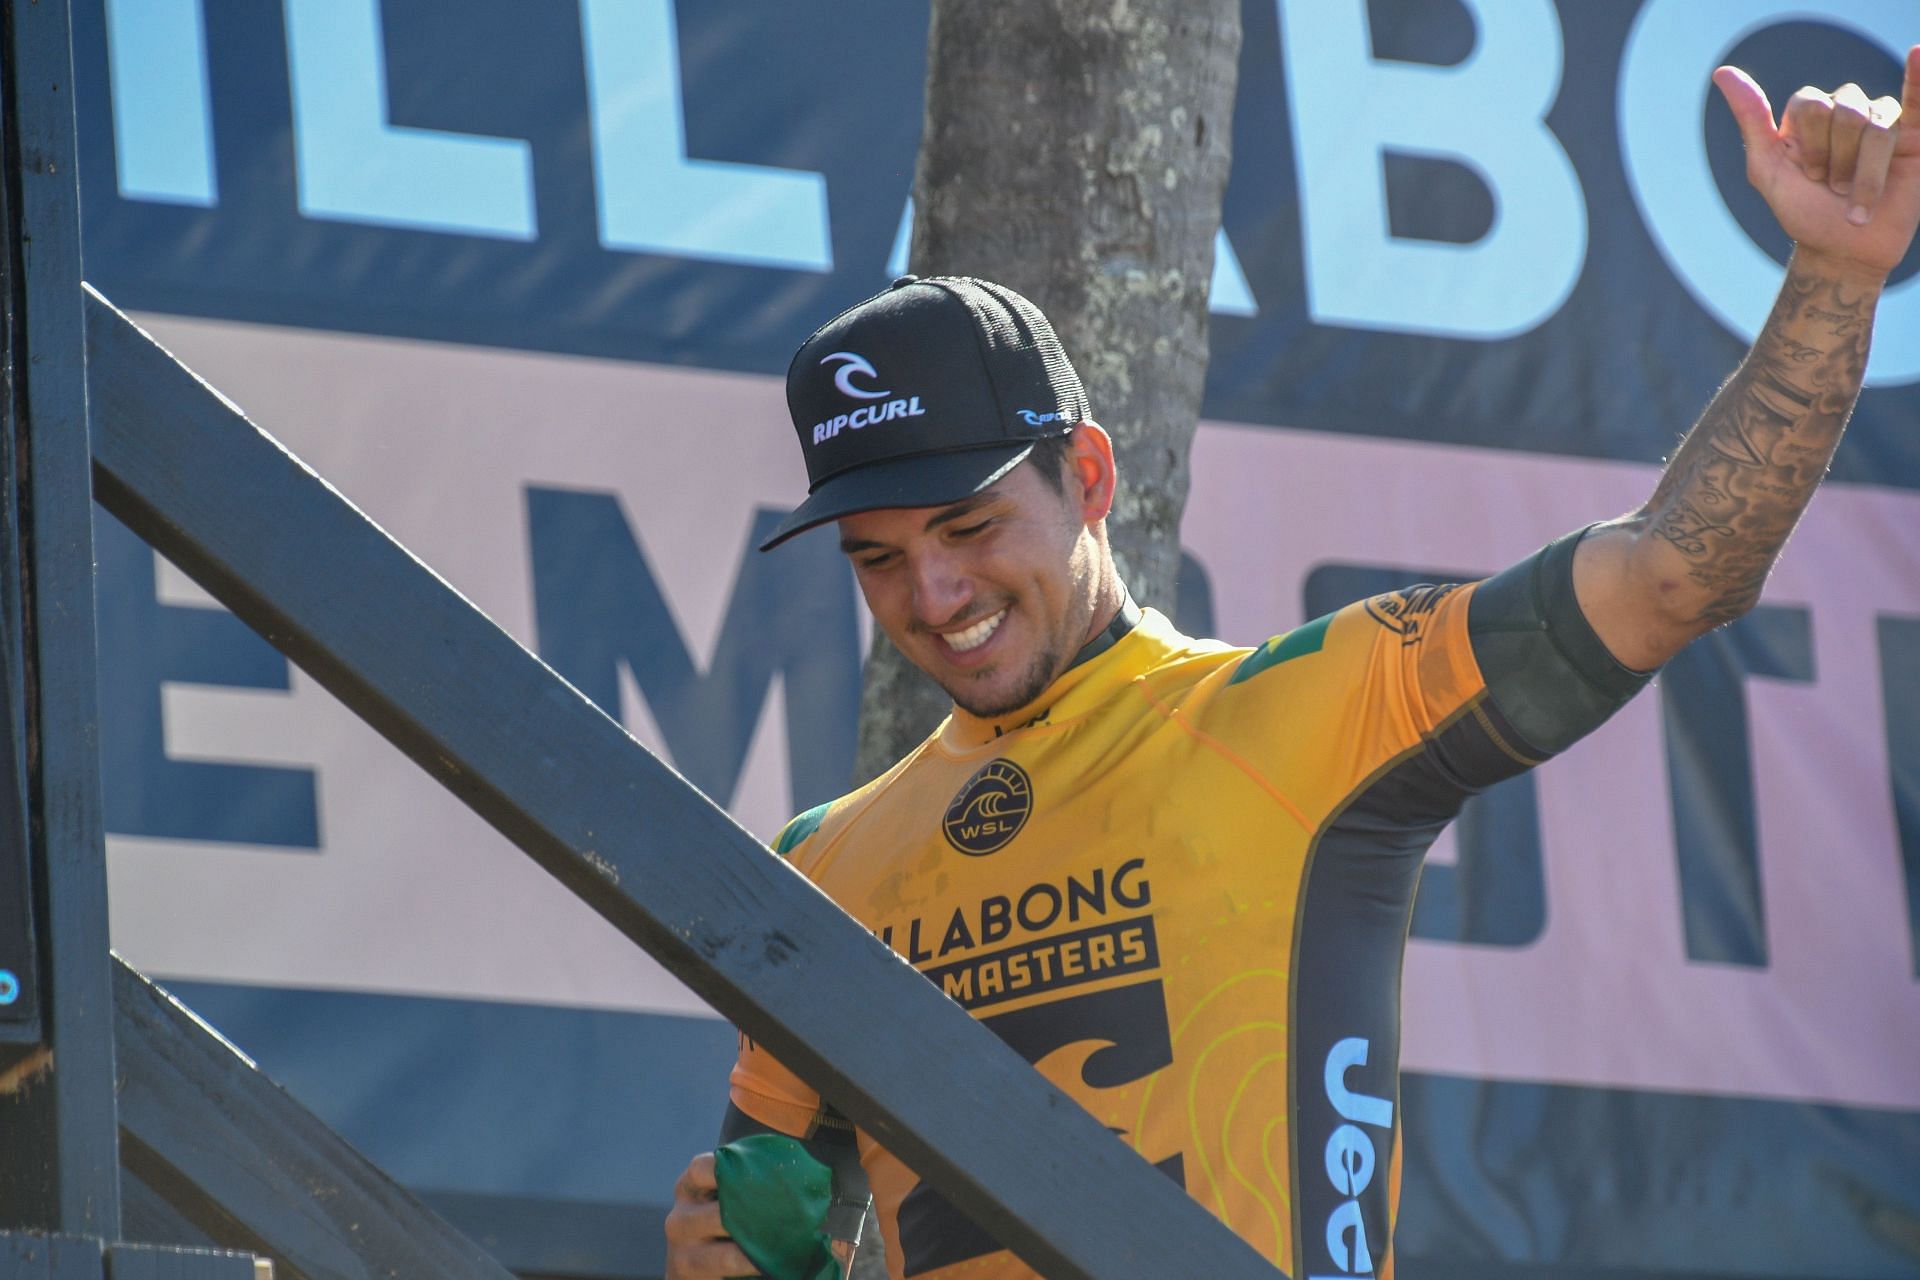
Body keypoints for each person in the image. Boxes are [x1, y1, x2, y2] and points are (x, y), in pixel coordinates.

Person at [665, 51, 1920, 1280]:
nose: (933, 597)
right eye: (878, 558)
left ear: (1090, 477)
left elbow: (1672, 572)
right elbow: (780, 1230)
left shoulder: (1304, 711)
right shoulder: (825, 863)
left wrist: (1835, 277)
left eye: (972, 528)